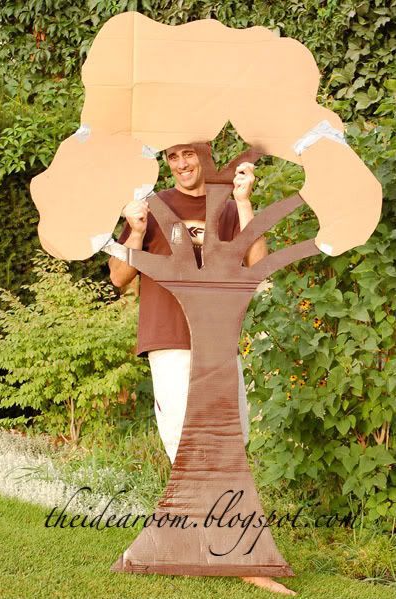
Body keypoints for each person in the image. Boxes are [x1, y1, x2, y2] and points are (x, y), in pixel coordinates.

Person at [108, 144, 296, 596]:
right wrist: (134, 231)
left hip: (218, 339)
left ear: (204, 156)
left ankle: (203, 546)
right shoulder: (151, 206)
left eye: (188, 153)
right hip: (169, 339)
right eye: (172, 156)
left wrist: (247, 200)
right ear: (166, 162)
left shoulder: (227, 205)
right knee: (185, 444)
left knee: (234, 437)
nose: (181, 164)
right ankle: (234, 556)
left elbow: (256, 262)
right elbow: (117, 277)